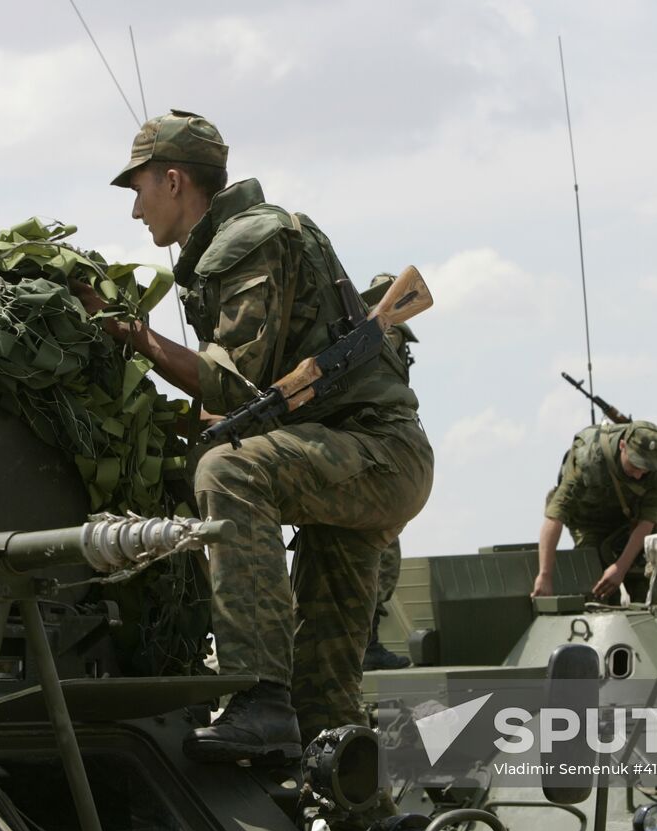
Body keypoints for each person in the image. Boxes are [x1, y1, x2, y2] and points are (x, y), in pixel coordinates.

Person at [84, 110, 433, 763]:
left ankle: (259, 697)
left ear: (174, 179)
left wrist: (136, 337)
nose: (135, 210)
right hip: (359, 464)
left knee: (228, 472)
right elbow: (260, 400)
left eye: (138, 189)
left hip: (373, 453)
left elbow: (231, 382)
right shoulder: (247, 240)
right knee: (326, 719)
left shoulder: (247, 239)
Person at [531, 420, 657, 603]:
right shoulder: (589, 457)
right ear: (623, 446)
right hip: (589, 521)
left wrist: (620, 567)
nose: (639, 475)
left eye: (645, 470)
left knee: (645, 579)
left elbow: (647, 521)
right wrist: (544, 575)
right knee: (594, 582)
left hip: (630, 521)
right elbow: (555, 514)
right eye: (634, 466)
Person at [359, 272, 417, 671]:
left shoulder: (365, 329)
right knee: (381, 554)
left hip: (366, 448)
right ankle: (366, 645)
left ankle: (365, 643)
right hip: (374, 450)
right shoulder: (386, 332)